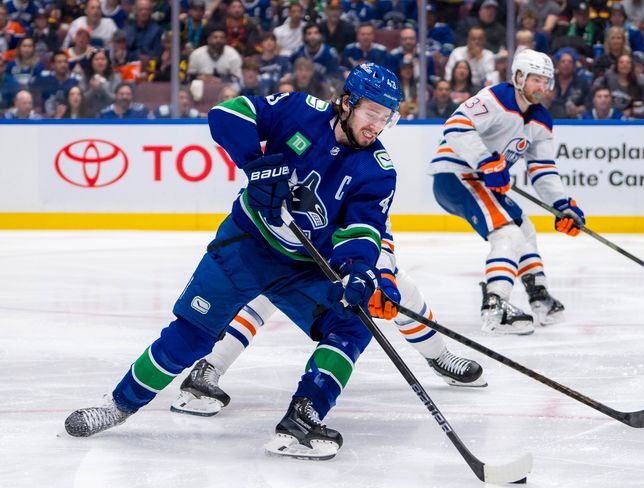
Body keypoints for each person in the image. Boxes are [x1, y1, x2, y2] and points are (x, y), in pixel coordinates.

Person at [64, 63, 405, 462]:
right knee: (192, 335)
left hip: (303, 267)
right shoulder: (301, 110)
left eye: (386, 118)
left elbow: (362, 230)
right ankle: (119, 404)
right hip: (246, 244)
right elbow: (227, 114)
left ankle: (302, 418)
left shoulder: (379, 171)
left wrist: (359, 271)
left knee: (352, 324)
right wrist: (256, 165)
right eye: (371, 113)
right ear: (346, 103)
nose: (376, 126)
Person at [171, 236, 487, 416]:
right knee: (262, 295)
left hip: (346, 267)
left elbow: (380, 235)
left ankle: (439, 355)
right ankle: (208, 367)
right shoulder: (309, 148)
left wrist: (384, 278)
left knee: (404, 290)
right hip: (291, 259)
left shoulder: (369, 168)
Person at [428, 49, 586, 334]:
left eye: (546, 81)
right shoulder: (496, 98)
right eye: (536, 80)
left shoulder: (540, 119)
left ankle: (539, 297)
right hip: (456, 176)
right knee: (507, 234)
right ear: (518, 77)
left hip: (482, 181)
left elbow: (542, 168)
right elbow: (456, 125)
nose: (543, 87)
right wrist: (486, 162)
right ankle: (495, 305)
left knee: (524, 228)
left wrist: (562, 205)